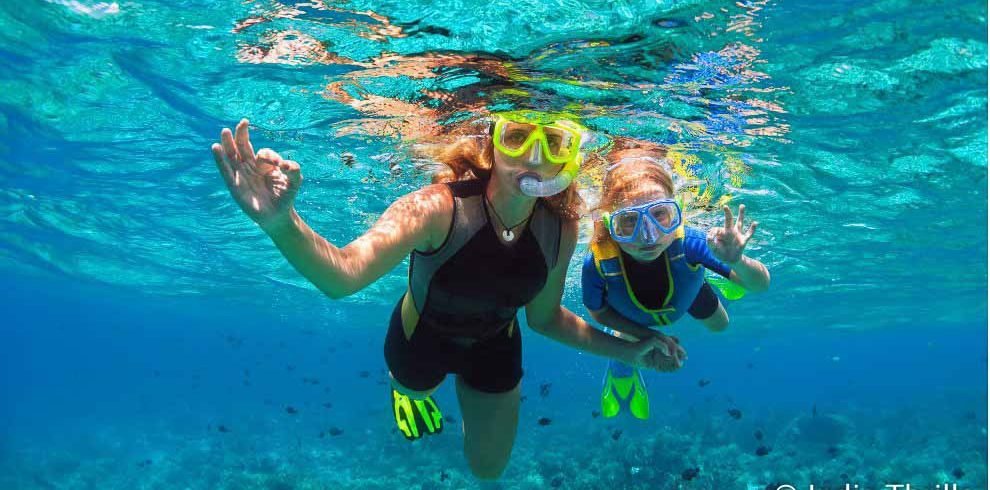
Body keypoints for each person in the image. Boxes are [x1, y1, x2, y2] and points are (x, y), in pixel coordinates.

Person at [209, 111, 675, 479]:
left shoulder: (562, 228)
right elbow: (343, 276)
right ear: (493, 145)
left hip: (496, 345)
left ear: (567, 158)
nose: (534, 157)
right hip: (420, 338)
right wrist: (279, 223)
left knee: (488, 469)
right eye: (517, 137)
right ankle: (405, 389)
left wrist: (630, 352)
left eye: (552, 142)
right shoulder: (437, 206)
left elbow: (545, 318)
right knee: (414, 387)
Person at [582, 149, 770, 420]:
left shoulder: (691, 242)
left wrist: (739, 262)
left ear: (677, 212)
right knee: (624, 344)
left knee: (721, 325)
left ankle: (724, 272)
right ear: (609, 224)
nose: (648, 236)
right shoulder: (598, 262)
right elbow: (598, 313)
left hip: (687, 293)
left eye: (660, 215)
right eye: (629, 222)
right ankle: (621, 374)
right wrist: (649, 337)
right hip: (629, 317)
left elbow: (761, 285)